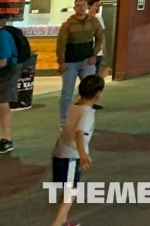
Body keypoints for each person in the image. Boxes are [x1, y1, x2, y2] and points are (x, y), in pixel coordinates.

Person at [50, 73, 105, 226]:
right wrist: (83, 154)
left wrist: (102, 75)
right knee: (71, 193)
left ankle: (65, 221)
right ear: (97, 95)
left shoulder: (75, 103)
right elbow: (79, 133)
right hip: (71, 157)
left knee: (67, 190)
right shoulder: (86, 114)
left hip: (60, 151)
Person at [56, 0, 103, 127]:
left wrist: (94, 54)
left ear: (87, 7)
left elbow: (100, 38)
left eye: (83, 5)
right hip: (70, 62)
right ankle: (64, 121)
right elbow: (61, 44)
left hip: (87, 61)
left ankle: (86, 118)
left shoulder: (93, 22)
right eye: (78, 5)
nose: (81, 7)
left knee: (90, 91)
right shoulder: (68, 24)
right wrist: (61, 62)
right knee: (67, 93)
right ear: (74, 7)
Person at [0, 15, 25, 154]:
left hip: (8, 70)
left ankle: (6, 139)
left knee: (3, 104)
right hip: (4, 69)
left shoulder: (2, 36)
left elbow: (3, 61)